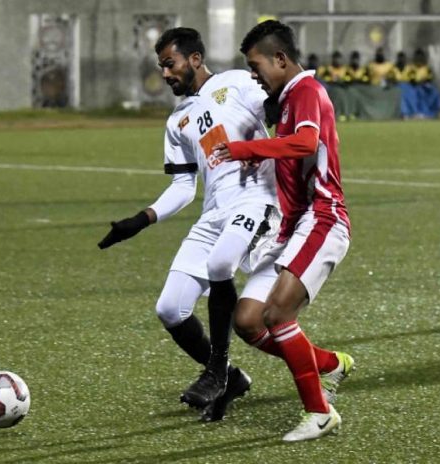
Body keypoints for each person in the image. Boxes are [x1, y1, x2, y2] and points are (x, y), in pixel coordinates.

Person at [97, 27, 280, 421]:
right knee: (170, 308)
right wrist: (141, 219)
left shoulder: (236, 83)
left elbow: (278, 108)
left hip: (256, 198)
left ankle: (215, 371)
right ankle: (231, 377)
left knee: (219, 266)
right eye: (161, 65)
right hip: (213, 212)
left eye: (169, 63)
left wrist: (272, 130)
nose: (165, 73)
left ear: (194, 59)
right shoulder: (177, 120)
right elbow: (183, 184)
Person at [211, 20, 354, 442]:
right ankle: (329, 363)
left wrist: (247, 149)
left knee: (277, 315)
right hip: (293, 227)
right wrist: (268, 160)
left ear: (280, 58)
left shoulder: (307, 91)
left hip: (323, 218)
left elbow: (307, 144)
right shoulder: (287, 100)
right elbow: (294, 154)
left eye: (256, 66)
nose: (254, 75)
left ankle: (319, 412)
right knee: (249, 320)